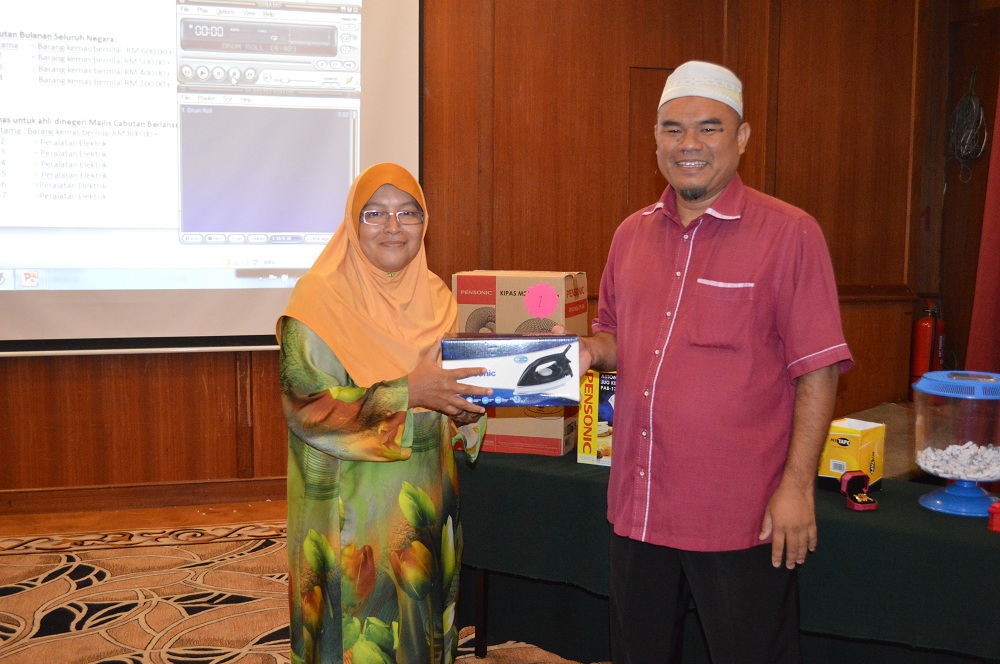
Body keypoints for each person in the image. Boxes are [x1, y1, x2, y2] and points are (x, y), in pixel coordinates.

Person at [576, 61, 854, 663]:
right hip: (640, 507)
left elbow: (818, 368)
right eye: (673, 129)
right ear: (655, 140)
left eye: (709, 128)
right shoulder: (630, 235)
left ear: (742, 137)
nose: (689, 144)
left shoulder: (790, 234)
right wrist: (586, 351)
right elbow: (616, 336)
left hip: (740, 516)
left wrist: (797, 488)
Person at [277, 163, 491, 664]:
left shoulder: (438, 299)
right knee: (357, 635)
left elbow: (448, 396)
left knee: (421, 629)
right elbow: (307, 407)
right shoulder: (316, 302)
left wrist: (463, 411)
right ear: (353, 223)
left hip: (425, 505)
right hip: (350, 515)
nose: (393, 226)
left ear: (424, 222)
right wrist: (407, 392)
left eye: (408, 213)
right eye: (374, 213)